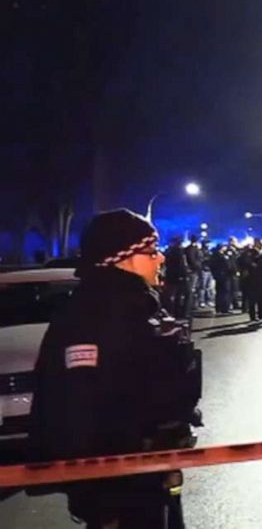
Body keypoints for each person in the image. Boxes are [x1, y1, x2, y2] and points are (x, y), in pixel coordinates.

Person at [29, 209, 201, 529]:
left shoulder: (135, 304)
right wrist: (100, 503)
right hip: (120, 491)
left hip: (149, 474)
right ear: (122, 259)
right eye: (151, 252)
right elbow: (77, 413)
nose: (160, 259)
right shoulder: (95, 316)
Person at [162, 236, 189, 319]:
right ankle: (179, 313)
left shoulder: (168, 251)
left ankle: (172, 312)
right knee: (181, 295)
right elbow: (182, 265)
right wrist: (184, 275)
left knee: (171, 295)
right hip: (178, 276)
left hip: (170, 275)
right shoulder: (179, 252)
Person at [236, 242, 260, 321]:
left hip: (253, 277)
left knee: (251, 297)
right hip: (248, 278)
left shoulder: (255, 254)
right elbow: (239, 264)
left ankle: (252, 312)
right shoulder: (242, 257)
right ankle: (250, 312)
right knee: (249, 296)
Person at [208, 244, 232, 314]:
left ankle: (218, 307)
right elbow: (227, 265)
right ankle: (224, 308)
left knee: (219, 292)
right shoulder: (221, 256)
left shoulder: (214, 255)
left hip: (218, 276)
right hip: (224, 275)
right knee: (225, 292)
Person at [184, 234, 204, 312]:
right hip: (193, 271)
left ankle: (192, 305)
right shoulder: (192, 249)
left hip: (195, 271)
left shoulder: (191, 248)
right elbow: (192, 260)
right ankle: (189, 307)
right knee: (191, 290)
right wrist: (198, 265)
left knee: (194, 289)